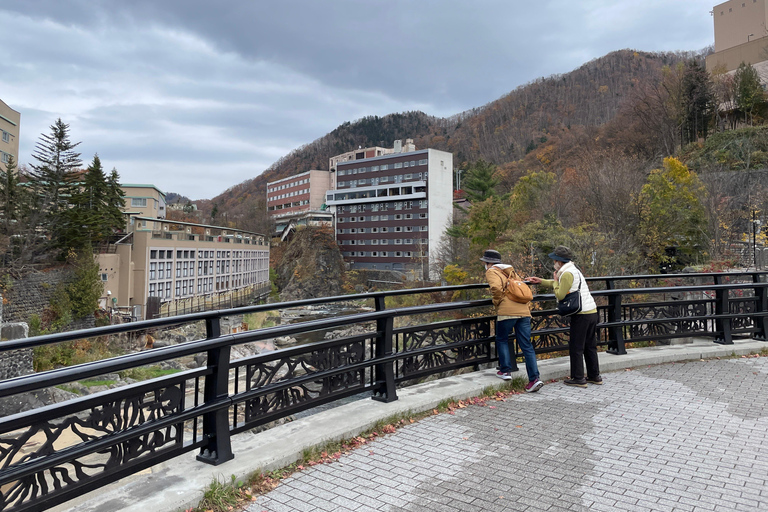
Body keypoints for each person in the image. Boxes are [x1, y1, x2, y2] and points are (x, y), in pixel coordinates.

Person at [526, 245, 602, 388]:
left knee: (576, 346)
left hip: (581, 315)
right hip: (591, 311)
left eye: (554, 260)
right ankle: (594, 376)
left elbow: (560, 293)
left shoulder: (567, 273)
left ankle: (578, 378)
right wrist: (541, 281)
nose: (553, 262)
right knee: (590, 346)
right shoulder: (573, 270)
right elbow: (561, 285)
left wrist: (554, 281)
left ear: (559, 261)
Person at [480, 249, 544, 393]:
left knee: (502, 339)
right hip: (524, 311)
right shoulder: (510, 271)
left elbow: (496, 288)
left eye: (485, 262)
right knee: (526, 345)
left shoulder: (491, 272)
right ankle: (534, 378)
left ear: (489, 262)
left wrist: (498, 302)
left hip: (507, 312)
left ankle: (505, 371)